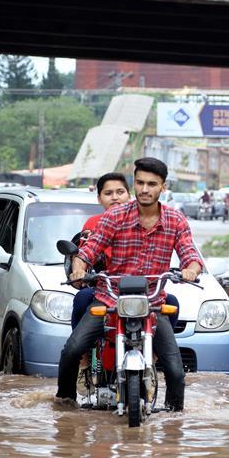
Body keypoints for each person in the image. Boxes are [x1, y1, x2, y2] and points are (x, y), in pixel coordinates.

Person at [56, 157, 203, 411]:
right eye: (141, 183)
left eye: (152, 184)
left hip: (152, 303)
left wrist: (191, 270)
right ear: (135, 183)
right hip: (109, 299)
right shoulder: (115, 216)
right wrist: (79, 268)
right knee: (71, 351)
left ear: (163, 187)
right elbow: (90, 250)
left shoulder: (176, 220)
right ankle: (65, 404)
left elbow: (191, 255)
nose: (145, 189)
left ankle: (173, 422)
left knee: (177, 373)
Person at [69, 172, 180, 330]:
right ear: (99, 198)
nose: (115, 197)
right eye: (108, 193)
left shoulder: (146, 220)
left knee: (172, 303)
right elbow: (85, 254)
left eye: (120, 192)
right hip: (107, 288)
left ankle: (155, 352)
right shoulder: (93, 223)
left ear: (130, 195)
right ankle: (82, 354)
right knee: (82, 298)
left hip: (144, 291)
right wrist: (79, 271)